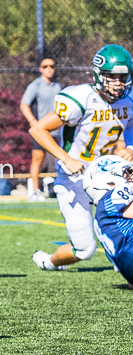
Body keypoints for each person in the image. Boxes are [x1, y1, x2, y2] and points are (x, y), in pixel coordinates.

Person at [31, 45, 133, 271]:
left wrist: (131, 148)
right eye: (111, 76)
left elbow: (130, 129)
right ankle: (49, 262)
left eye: (122, 77)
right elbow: (38, 130)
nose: (118, 83)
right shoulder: (82, 98)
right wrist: (66, 158)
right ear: (99, 75)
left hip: (107, 177)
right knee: (84, 250)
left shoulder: (128, 101)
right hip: (74, 179)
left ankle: (124, 258)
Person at [84, 155, 133, 288]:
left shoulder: (100, 214)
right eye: (127, 173)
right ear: (110, 181)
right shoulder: (115, 194)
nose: (131, 177)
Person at [20, 58, 62, 201]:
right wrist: (33, 121)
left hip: (56, 131)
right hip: (41, 131)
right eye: (46, 66)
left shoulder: (57, 87)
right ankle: (35, 191)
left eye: (52, 66)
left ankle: (60, 188)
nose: (49, 68)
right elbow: (24, 104)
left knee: (60, 160)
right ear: (41, 69)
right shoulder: (35, 85)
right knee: (37, 160)